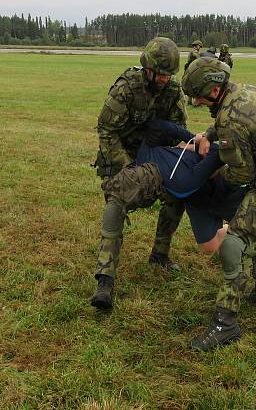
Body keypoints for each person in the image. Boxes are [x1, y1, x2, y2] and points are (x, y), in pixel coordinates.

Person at [90, 119, 256, 310]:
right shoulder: (175, 180)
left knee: (252, 219)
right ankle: (235, 227)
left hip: (221, 188)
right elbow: (208, 156)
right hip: (199, 198)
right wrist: (194, 146)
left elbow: (162, 127)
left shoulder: (153, 157)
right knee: (208, 247)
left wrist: (194, 139)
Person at [181, 57, 256, 351]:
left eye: (198, 96)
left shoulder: (231, 120)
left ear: (213, 90)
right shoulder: (242, 92)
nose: (196, 102)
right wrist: (209, 135)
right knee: (252, 224)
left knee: (235, 240)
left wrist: (207, 173)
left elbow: (241, 174)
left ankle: (226, 323)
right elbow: (233, 126)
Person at [91, 37, 188, 308]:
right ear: (148, 69)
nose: (164, 80)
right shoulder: (126, 89)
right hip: (121, 156)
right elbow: (106, 131)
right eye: (161, 74)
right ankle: (105, 278)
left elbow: (176, 132)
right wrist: (128, 167)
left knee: (177, 195)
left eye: (169, 75)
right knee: (117, 203)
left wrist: (171, 163)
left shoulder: (173, 91)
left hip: (155, 156)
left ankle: (160, 254)